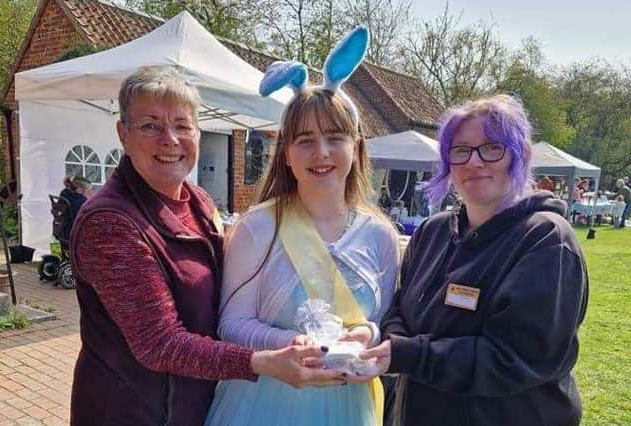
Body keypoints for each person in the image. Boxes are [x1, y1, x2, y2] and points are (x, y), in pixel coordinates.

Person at [69, 66, 343, 426]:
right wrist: (259, 360)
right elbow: (160, 343)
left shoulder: (197, 201)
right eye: (150, 125)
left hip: (189, 406)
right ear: (123, 133)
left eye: (182, 125)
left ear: (198, 132)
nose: (170, 139)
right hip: (134, 411)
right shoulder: (110, 223)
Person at [354, 95, 589, 426]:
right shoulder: (432, 232)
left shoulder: (546, 240)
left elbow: (513, 358)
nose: (474, 162)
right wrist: (393, 342)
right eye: (461, 150)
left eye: (492, 148)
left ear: (518, 154)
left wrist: (409, 354)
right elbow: (400, 308)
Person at [205, 27, 400, 426]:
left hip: (350, 407)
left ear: (356, 147)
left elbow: (381, 321)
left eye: (334, 137)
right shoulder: (258, 225)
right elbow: (231, 324)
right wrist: (288, 346)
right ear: (287, 155)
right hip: (261, 405)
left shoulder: (381, 234)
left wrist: (365, 336)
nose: (321, 152)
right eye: (305, 140)